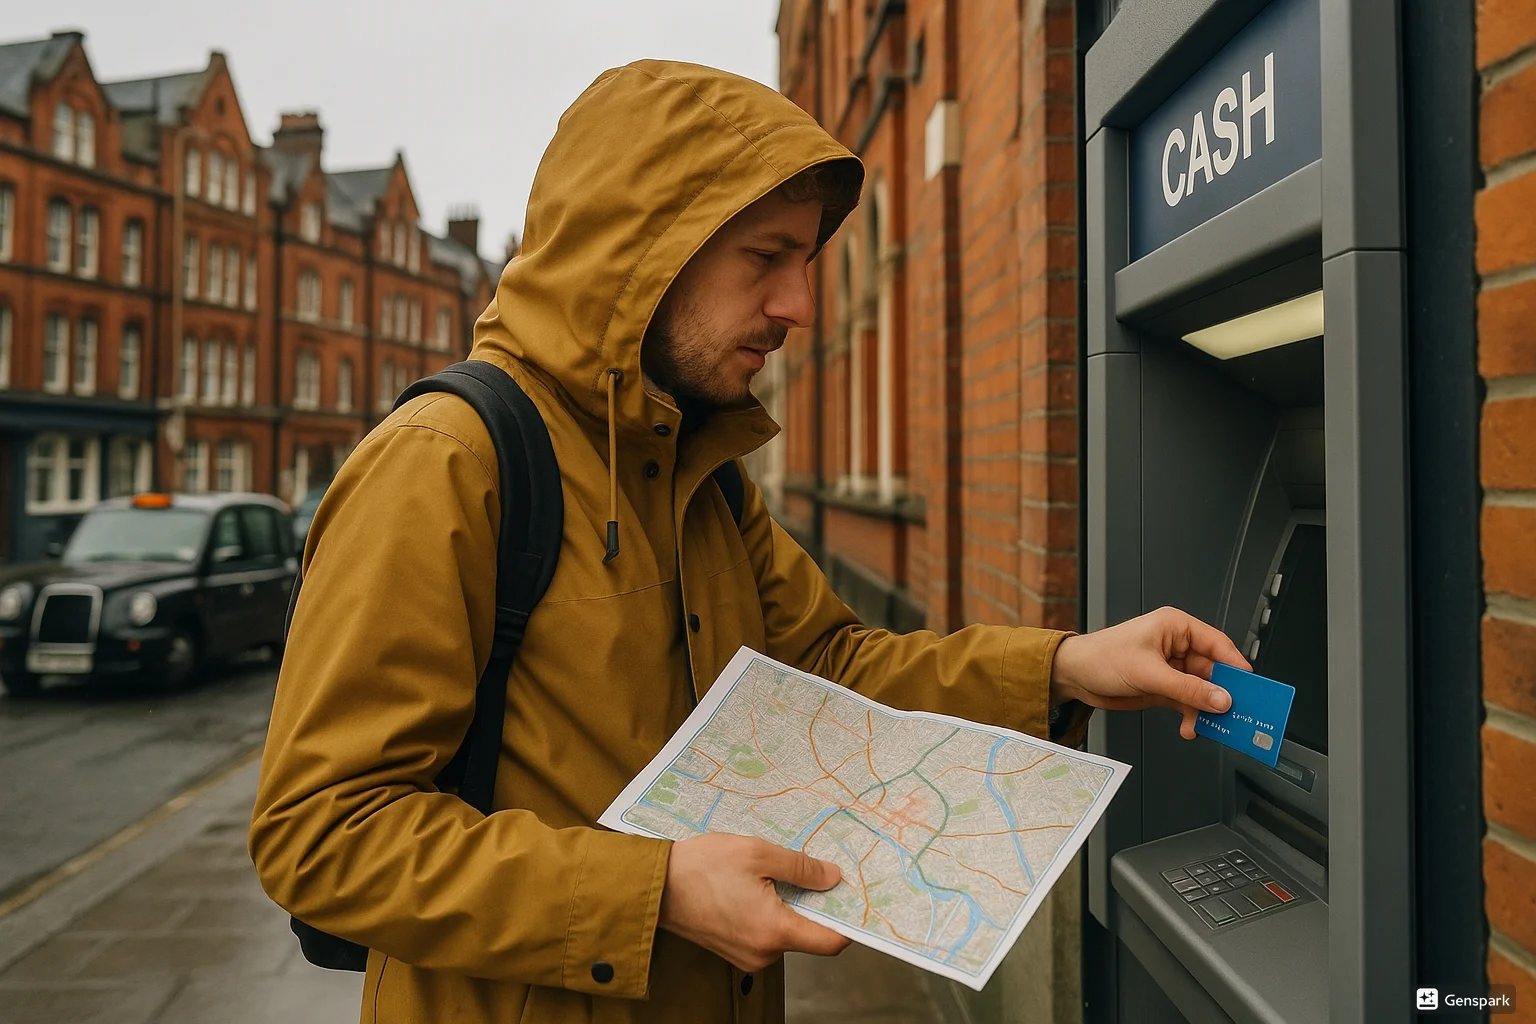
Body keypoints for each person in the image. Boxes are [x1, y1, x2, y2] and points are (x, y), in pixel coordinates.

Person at [249, 60, 1246, 1024]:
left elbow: (829, 670)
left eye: (805, 264)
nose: (799, 307)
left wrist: (1069, 668)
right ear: (642, 251)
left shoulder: (701, 471)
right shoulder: (445, 462)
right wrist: (655, 890)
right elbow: (323, 831)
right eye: (765, 258)